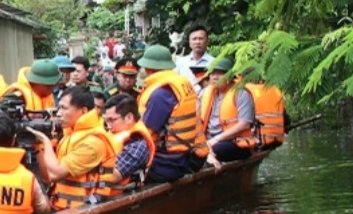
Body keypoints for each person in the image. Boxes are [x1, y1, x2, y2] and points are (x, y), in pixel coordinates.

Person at [29, 86, 117, 210]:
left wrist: (46, 141)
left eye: (64, 108)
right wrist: (38, 147)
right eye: (59, 108)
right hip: (62, 207)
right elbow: (49, 177)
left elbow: (57, 172)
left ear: (84, 111)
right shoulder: (70, 135)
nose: (58, 113)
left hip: (82, 213)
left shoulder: (93, 142)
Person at [136, 45, 198, 182]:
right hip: (183, 157)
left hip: (165, 163)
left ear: (148, 69)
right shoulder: (181, 84)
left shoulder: (161, 94)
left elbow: (147, 132)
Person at [195, 58, 255, 168]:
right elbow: (196, 117)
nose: (215, 77)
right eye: (212, 73)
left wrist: (215, 140)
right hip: (208, 141)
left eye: (220, 73)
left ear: (230, 76)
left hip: (235, 142)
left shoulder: (241, 94)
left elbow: (245, 123)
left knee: (213, 150)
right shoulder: (205, 93)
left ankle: (210, 161)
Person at [103, 93, 155, 187]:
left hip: (117, 196)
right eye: (106, 120)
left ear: (129, 118)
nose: (108, 126)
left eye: (112, 120)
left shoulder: (137, 145)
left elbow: (112, 177)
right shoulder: (114, 132)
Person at [175, 25, 214, 93]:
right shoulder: (180, 63)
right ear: (189, 42)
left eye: (201, 39)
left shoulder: (214, 63)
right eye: (194, 39)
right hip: (186, 102)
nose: (197, 42)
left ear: (207, 41)